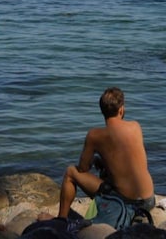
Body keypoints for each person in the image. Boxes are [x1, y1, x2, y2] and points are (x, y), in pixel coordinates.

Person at [41, 87, 155, 223]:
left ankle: (61, 220)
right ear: (121, 109)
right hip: (149, 200)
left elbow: (83, 168)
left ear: (102, 111)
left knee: (71, 172)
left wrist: (95, 159)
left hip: (126, 203)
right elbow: (130, 164)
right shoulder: (136, 127)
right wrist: (104, 163)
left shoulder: (94, 136)